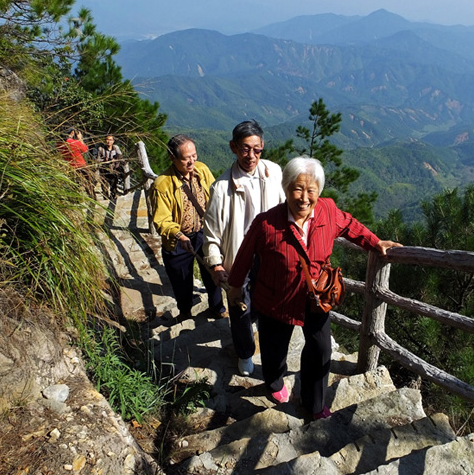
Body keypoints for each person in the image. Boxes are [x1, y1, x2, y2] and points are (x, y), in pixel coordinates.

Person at [227, 156, 401, 419]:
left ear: (319, 191)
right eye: (297, 188)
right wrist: (235, 286)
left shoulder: (328, 211)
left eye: (311, 190)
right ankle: (274, 381)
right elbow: (244, 255)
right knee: (274, 348)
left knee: (321, 349)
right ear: (285, 188)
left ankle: (314, 404)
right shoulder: (266, 223)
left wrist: (375, 243)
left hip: (315, 298)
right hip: (275, 298)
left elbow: (351, 225)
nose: (304, 197)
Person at [203, 120, 285, 376]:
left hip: (270, 253)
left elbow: (285, 210)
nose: (251, 156)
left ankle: (257, 329)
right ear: (233, 148)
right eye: (245, 149)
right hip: (238, 256)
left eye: (257, 150)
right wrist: (216, 264)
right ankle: (245, 352)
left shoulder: (274, 173)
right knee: (239, 305)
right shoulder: (221, 188)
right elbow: (212, 232)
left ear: (263, 147)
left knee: (267, 299)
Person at [151, 135, 226, 320]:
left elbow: (217, 195)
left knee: (213, 270)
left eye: (194, 155)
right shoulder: (162, 184)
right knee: (181, 279)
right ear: (172, 158)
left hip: (203, 232)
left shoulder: (202, 170)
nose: (192, 161)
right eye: (186, 158)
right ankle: (185, 312)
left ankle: (218, 308)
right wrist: (179, 235)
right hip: (178, 240)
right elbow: (162, 219)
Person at [57, 126, 93, 196]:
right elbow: (85, 149)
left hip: (69, 167)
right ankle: (92, 198)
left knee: (74, 184)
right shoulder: (74, 142)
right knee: (88, 183)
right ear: (72, 133)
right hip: (80, 165)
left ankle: (75, 199)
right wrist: (80, 139)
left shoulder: (59, 144)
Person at [97, 134, 123, 200]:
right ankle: (105, 198)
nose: (109, 141)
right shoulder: (101, 149)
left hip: (113, 169)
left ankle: (113, 198)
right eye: (107, 139)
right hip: (104, 170)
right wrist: (104, 160)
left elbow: (120, 156)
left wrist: (115, 159)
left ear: (113, 141)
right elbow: (97, 159)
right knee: (104, 185)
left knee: (113, 185)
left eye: (110, 140)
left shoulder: (115, 148)